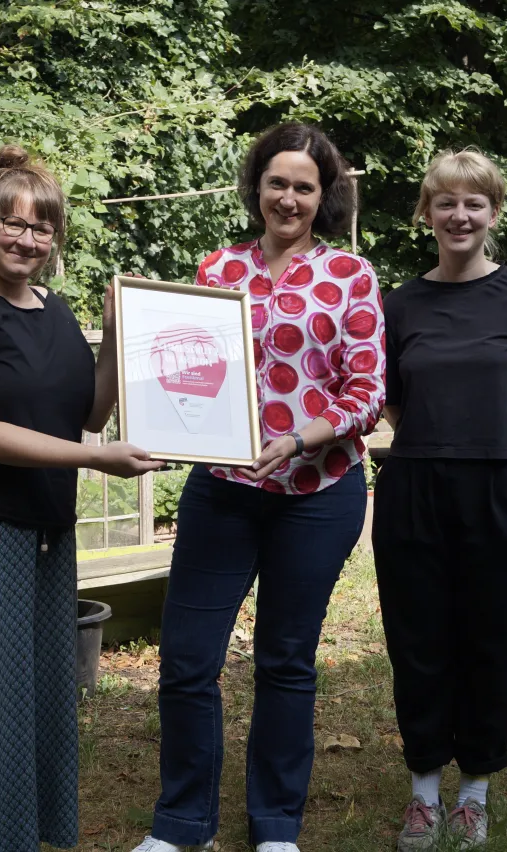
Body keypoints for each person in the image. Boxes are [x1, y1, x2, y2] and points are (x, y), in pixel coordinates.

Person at [131, 122, 385, 852]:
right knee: (187, 660)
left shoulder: (350, 275)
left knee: (285, 659)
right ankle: (183, 825)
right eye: (278, 183)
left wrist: (301, 438)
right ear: (257, 187)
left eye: (304, 187)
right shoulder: (217, 269)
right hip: (223, 489)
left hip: (318, 492)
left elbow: (367, 391)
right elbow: (188, 368)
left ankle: (275, 826)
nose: (289, 198)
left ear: (323, 196)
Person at [0, 145, 161, 851]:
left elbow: (91, 414)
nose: (26, 239)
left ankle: (21, 835)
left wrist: (118, 334)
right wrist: (99, 460)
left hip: (43, 529)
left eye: (41, 228)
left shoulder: (55, 309)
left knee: (34, 693)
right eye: (11, 223)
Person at [374, 149, 507, 850]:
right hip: (416, 486)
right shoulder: (399, 304)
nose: (459, 216)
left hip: (505, 485)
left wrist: (493, 435)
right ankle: (424, 790)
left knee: (491, 638)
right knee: (417, 639)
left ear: (493, 212)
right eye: (446, 202)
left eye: (474, 203)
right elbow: (392, 399)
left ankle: (474, 792)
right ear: (426, 213)